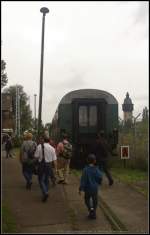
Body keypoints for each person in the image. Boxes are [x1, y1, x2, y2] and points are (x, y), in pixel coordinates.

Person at [79, 154, 103, 219]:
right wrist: (99, 182)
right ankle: (94, 211)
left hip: (87, 188)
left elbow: (83, 180)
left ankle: (91, 209)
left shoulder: (85, 170)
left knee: (87, 199)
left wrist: (80, 188)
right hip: (95, 188)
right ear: (95, 161)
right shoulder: (96, 169)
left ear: (87, 161)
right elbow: (100, 176)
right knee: (95, 200)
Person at [34, 136, 57, 202]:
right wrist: (55, 168)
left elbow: (36, 156)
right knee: (47, 180)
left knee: (41, 179)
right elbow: (54, 160)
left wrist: (35, 164)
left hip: (41, 165)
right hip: (49, 165)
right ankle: (45, 191)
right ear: (49, 141)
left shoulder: (39, 146)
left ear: (43, 140)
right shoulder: (52, 148)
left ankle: (45, 192)